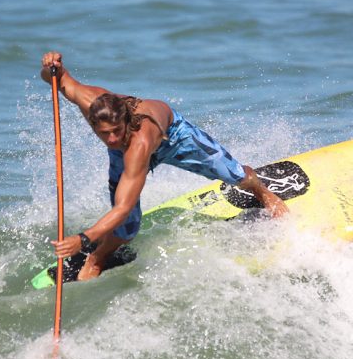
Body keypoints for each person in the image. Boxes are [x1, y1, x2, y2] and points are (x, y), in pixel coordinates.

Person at [41, 51, 288, 281]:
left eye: (117, 131)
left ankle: (263, 192)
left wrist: (83, 239)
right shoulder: (89, 102)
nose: (112, 139)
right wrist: (52, 66)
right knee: (127, 229)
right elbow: (58, 78)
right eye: (105, 134)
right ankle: (98, 257)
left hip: (174, 137)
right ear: (93, 123)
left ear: (125, 121)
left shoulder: (139, 144)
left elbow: (125, 205)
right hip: (126, 154)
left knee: (234, 174)